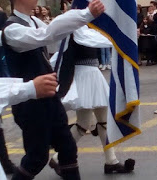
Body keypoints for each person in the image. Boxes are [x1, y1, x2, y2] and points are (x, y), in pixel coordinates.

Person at [0, 0, 105, 179]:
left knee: (68, 147)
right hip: (30, 102)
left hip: (49, 97)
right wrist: (84, 14)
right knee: (37, 157)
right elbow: (46, 35)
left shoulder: (33, 21)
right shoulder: (12, 29)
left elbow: (58, 39)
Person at [48, 25, 135, 176]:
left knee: (102, 120)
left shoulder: (86, 27)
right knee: (85, 122)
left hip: (92, 74)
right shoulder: (75, 29)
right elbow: (94, 40)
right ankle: (58, 157)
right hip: (84, 75)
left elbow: (99, 38)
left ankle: (111, 161)